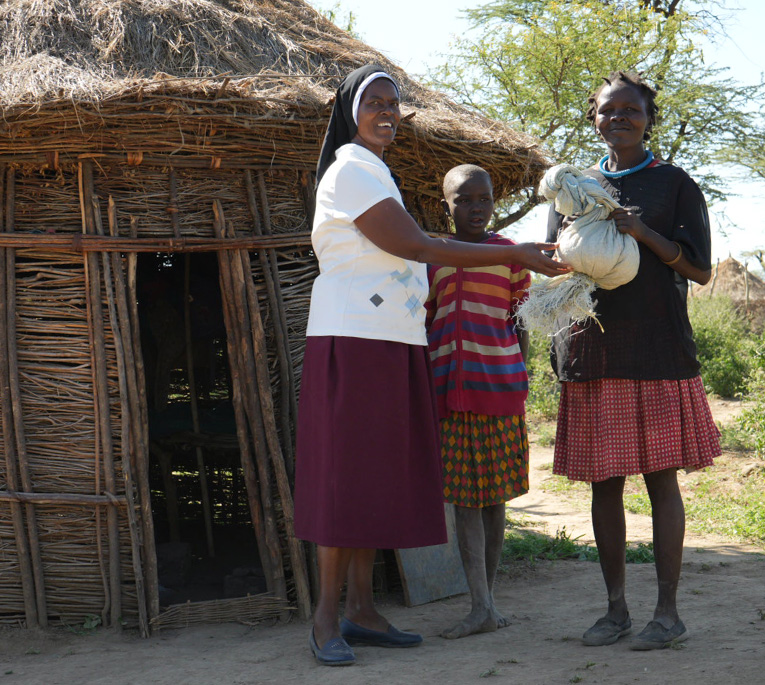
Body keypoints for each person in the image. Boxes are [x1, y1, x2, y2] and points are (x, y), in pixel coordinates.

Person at [294, 65, 569, 667]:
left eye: (396, 103)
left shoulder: (377, 174)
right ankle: (324, 620)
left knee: (375, 475)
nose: (388, 112)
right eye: (376, 103)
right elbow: (416, 246)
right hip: (353, 337)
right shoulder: (349, 173)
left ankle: (362, 609)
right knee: (344, 478)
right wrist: (513, 252)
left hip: (393, 340)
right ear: (351, 110)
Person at [545, 71, 721, 651]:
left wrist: (641, 231)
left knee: (660, 481)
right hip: (593, 349)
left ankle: (667, 613)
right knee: (604, 486)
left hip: (655, 351)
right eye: (606, 111)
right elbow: (557, 263)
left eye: (630, 110)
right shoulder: (574, 185)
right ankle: (615, 610)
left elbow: (698, 269)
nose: (617, 118)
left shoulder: (673, 185)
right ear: (592, 119)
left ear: (650, 119)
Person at [425, 165, 530, 639]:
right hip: (449, 391)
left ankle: (486, 604)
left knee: (495, 497)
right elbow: (423, 325)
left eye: (484, 199)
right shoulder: (431, 256)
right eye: (464, 200)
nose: (476, 208)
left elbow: (521, 321)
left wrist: (519, 376)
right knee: (465, 500)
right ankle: (481, 605)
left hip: (500, 389)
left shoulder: (511, 255)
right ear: (444, 205)